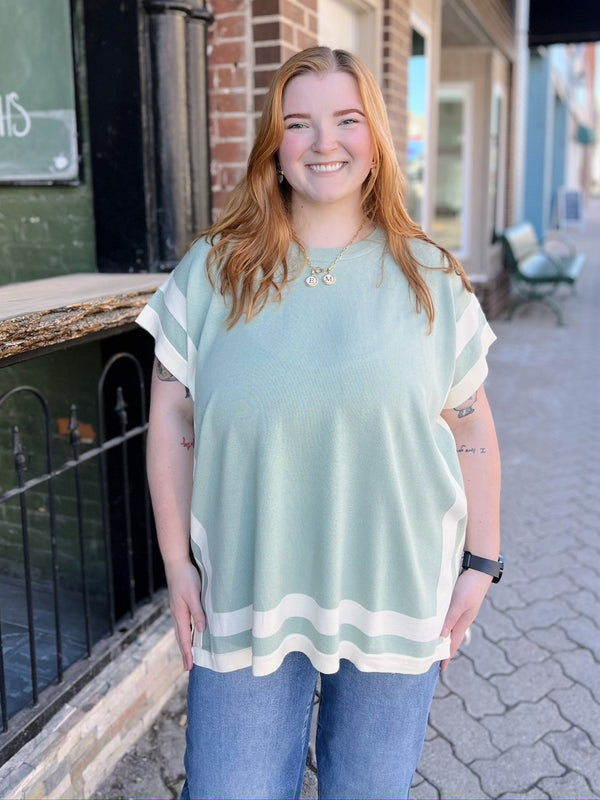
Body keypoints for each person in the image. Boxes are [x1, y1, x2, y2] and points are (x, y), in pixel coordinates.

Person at [137, 46, 502, 800]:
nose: (324, 142)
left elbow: (471, 425)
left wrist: (481, 561)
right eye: (298, 124)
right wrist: (177, 564)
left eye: (345, 119)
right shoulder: (214, 272)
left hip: (397, 596)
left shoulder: (431, 281)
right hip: (246, 595)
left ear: (376, 138)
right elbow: (171, 411)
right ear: (275, 144)